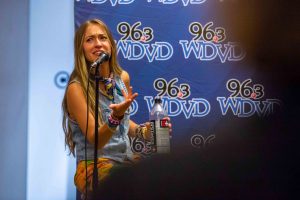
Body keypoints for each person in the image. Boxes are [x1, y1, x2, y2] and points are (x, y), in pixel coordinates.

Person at [62, 18, 171, 198]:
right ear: (81, 48)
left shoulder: (123, 79)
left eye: (102, 38)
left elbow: (125, 125)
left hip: (126, 161)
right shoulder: (76, 88)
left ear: (111, 45)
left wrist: (147, 132)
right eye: (89, 40)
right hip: (94, 166)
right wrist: (115, 117)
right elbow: (97, 139)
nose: (98, 44)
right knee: (128, 187)